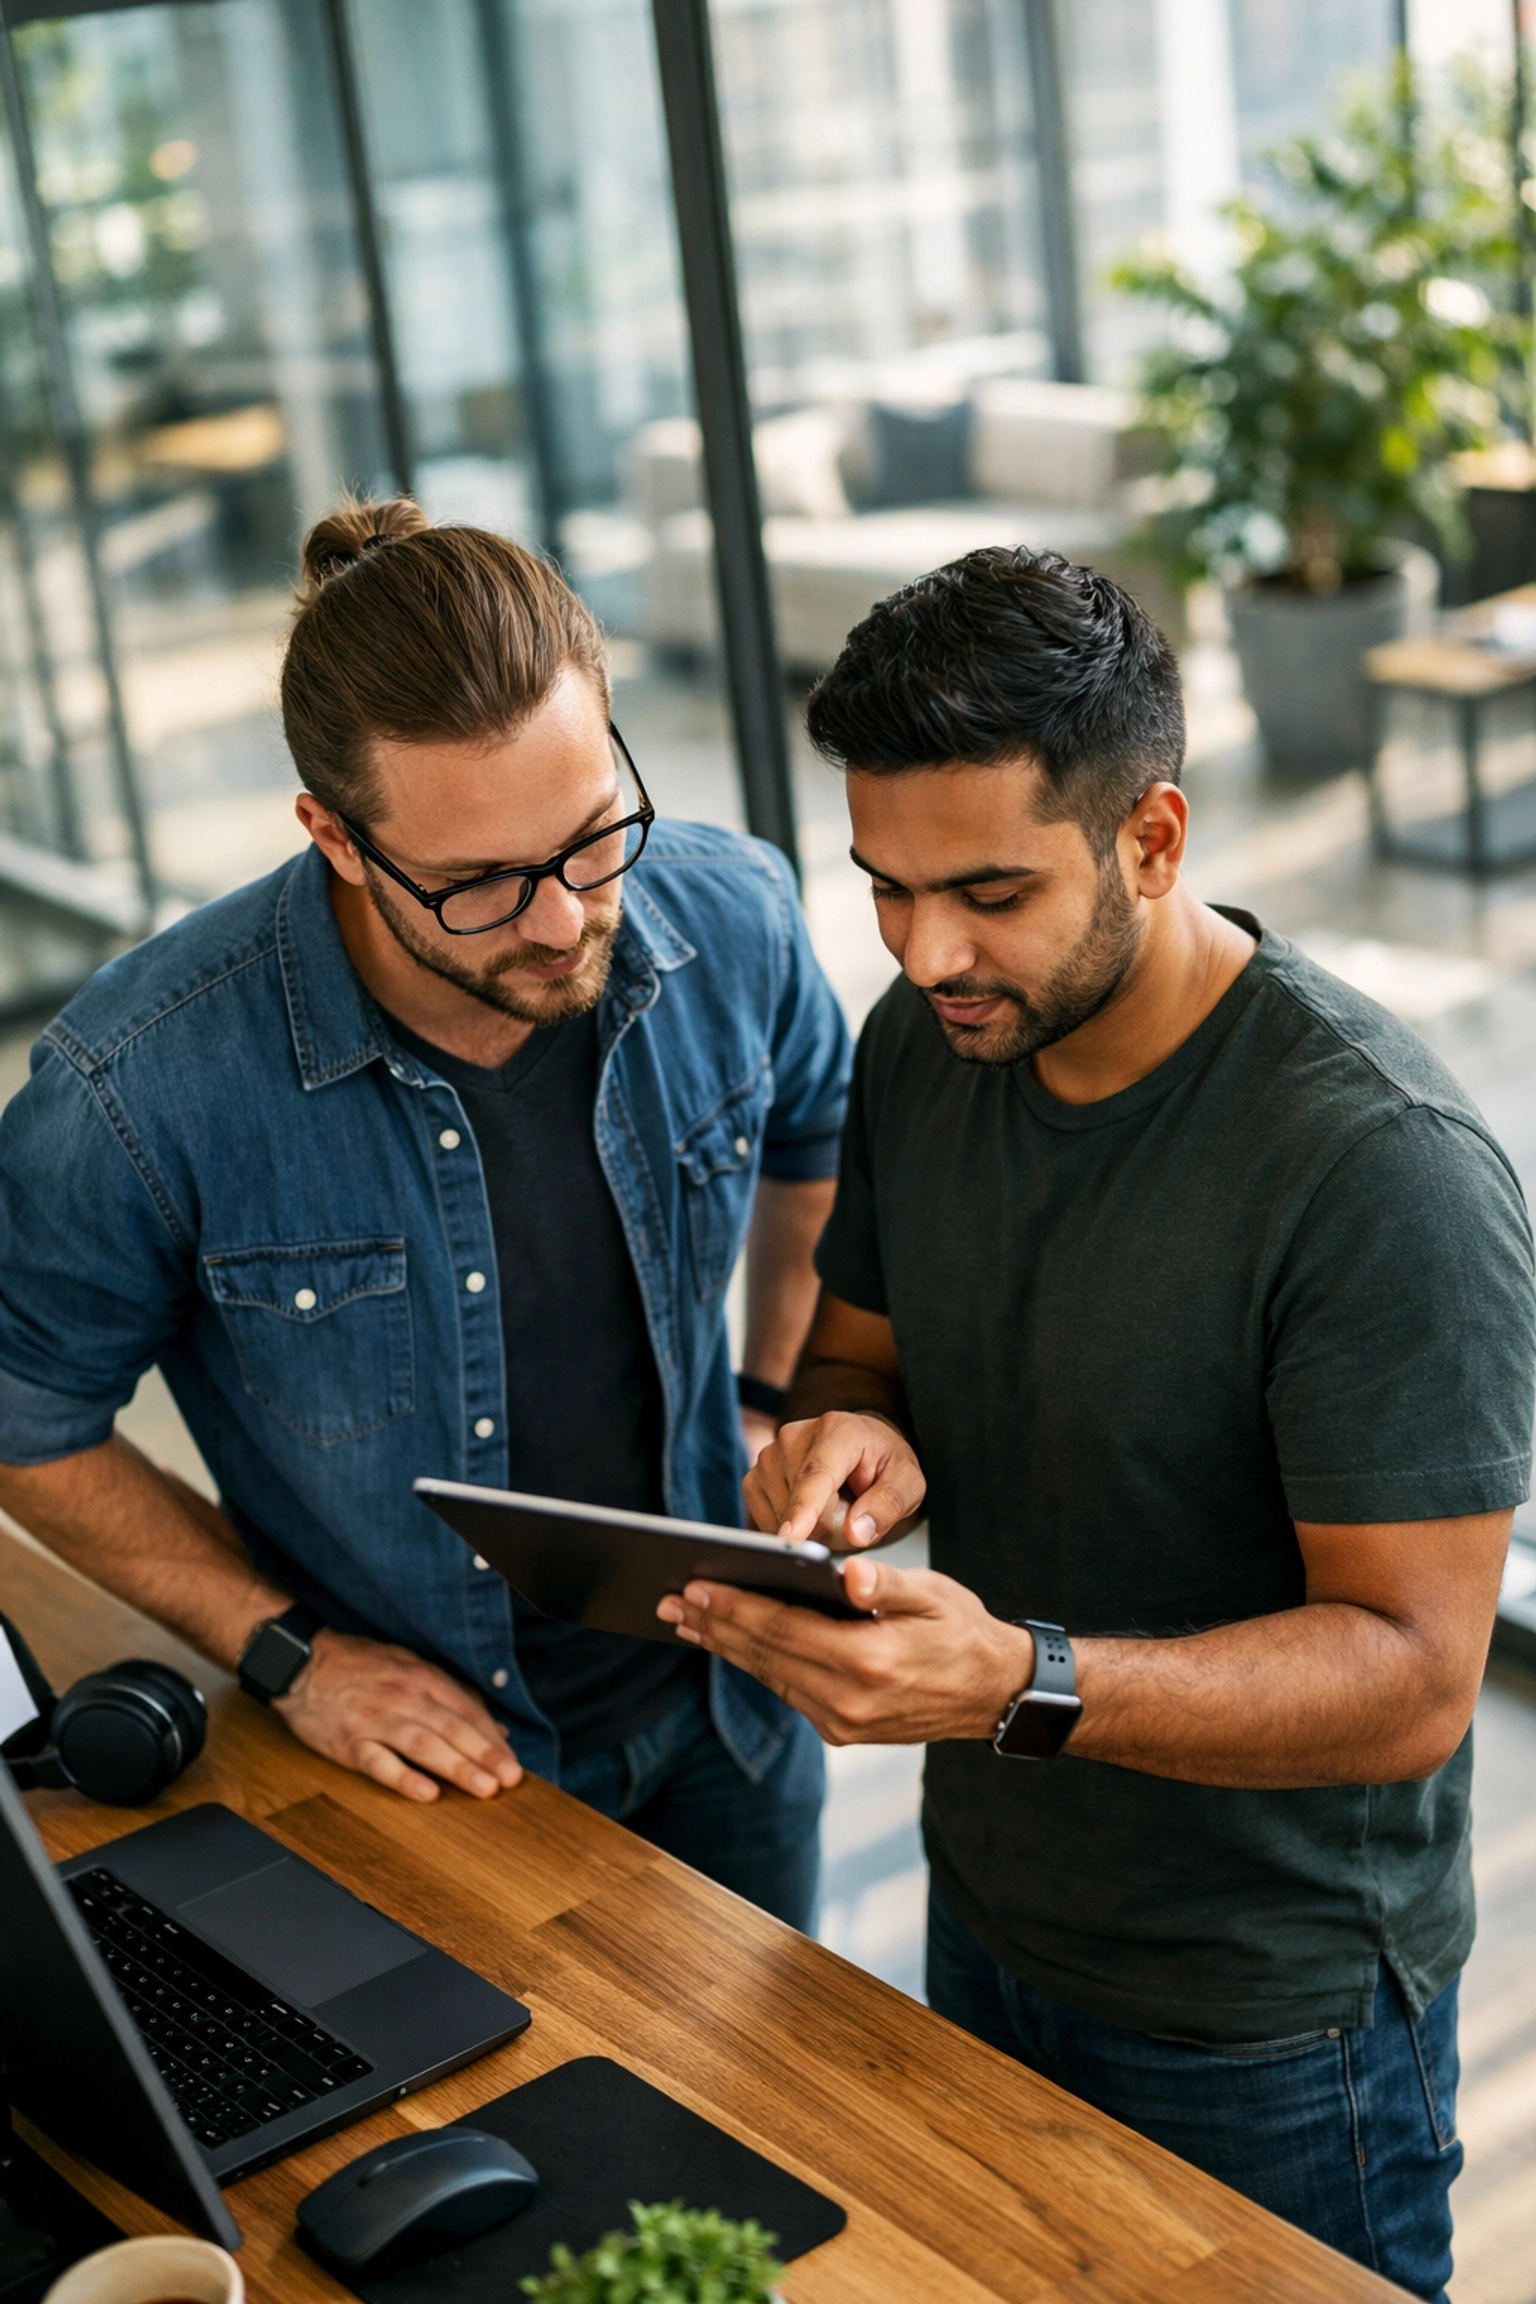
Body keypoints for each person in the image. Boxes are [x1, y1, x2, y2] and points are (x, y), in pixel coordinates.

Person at [655, 546, 1536, 2295]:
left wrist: (1017, 1682)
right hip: (985, 1921)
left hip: (1268, 2025)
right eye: (886, 890)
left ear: (1154, 837)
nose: (925, 949)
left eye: (986, 890)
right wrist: (848, 1439)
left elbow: (1418, 1678)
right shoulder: (931, 1041)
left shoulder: (1376, 1173)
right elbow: (860, 1361)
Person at [0, 499, 851, 1930]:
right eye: (477, 888)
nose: (566, 919)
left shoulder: (738, 914)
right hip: (424, 1776)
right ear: (333, 836)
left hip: (737, 1710)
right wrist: (290, 1657)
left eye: (592, 838)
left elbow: (818, 1136)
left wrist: (775, 1395)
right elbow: (22, 1420)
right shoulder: (140, 1084)